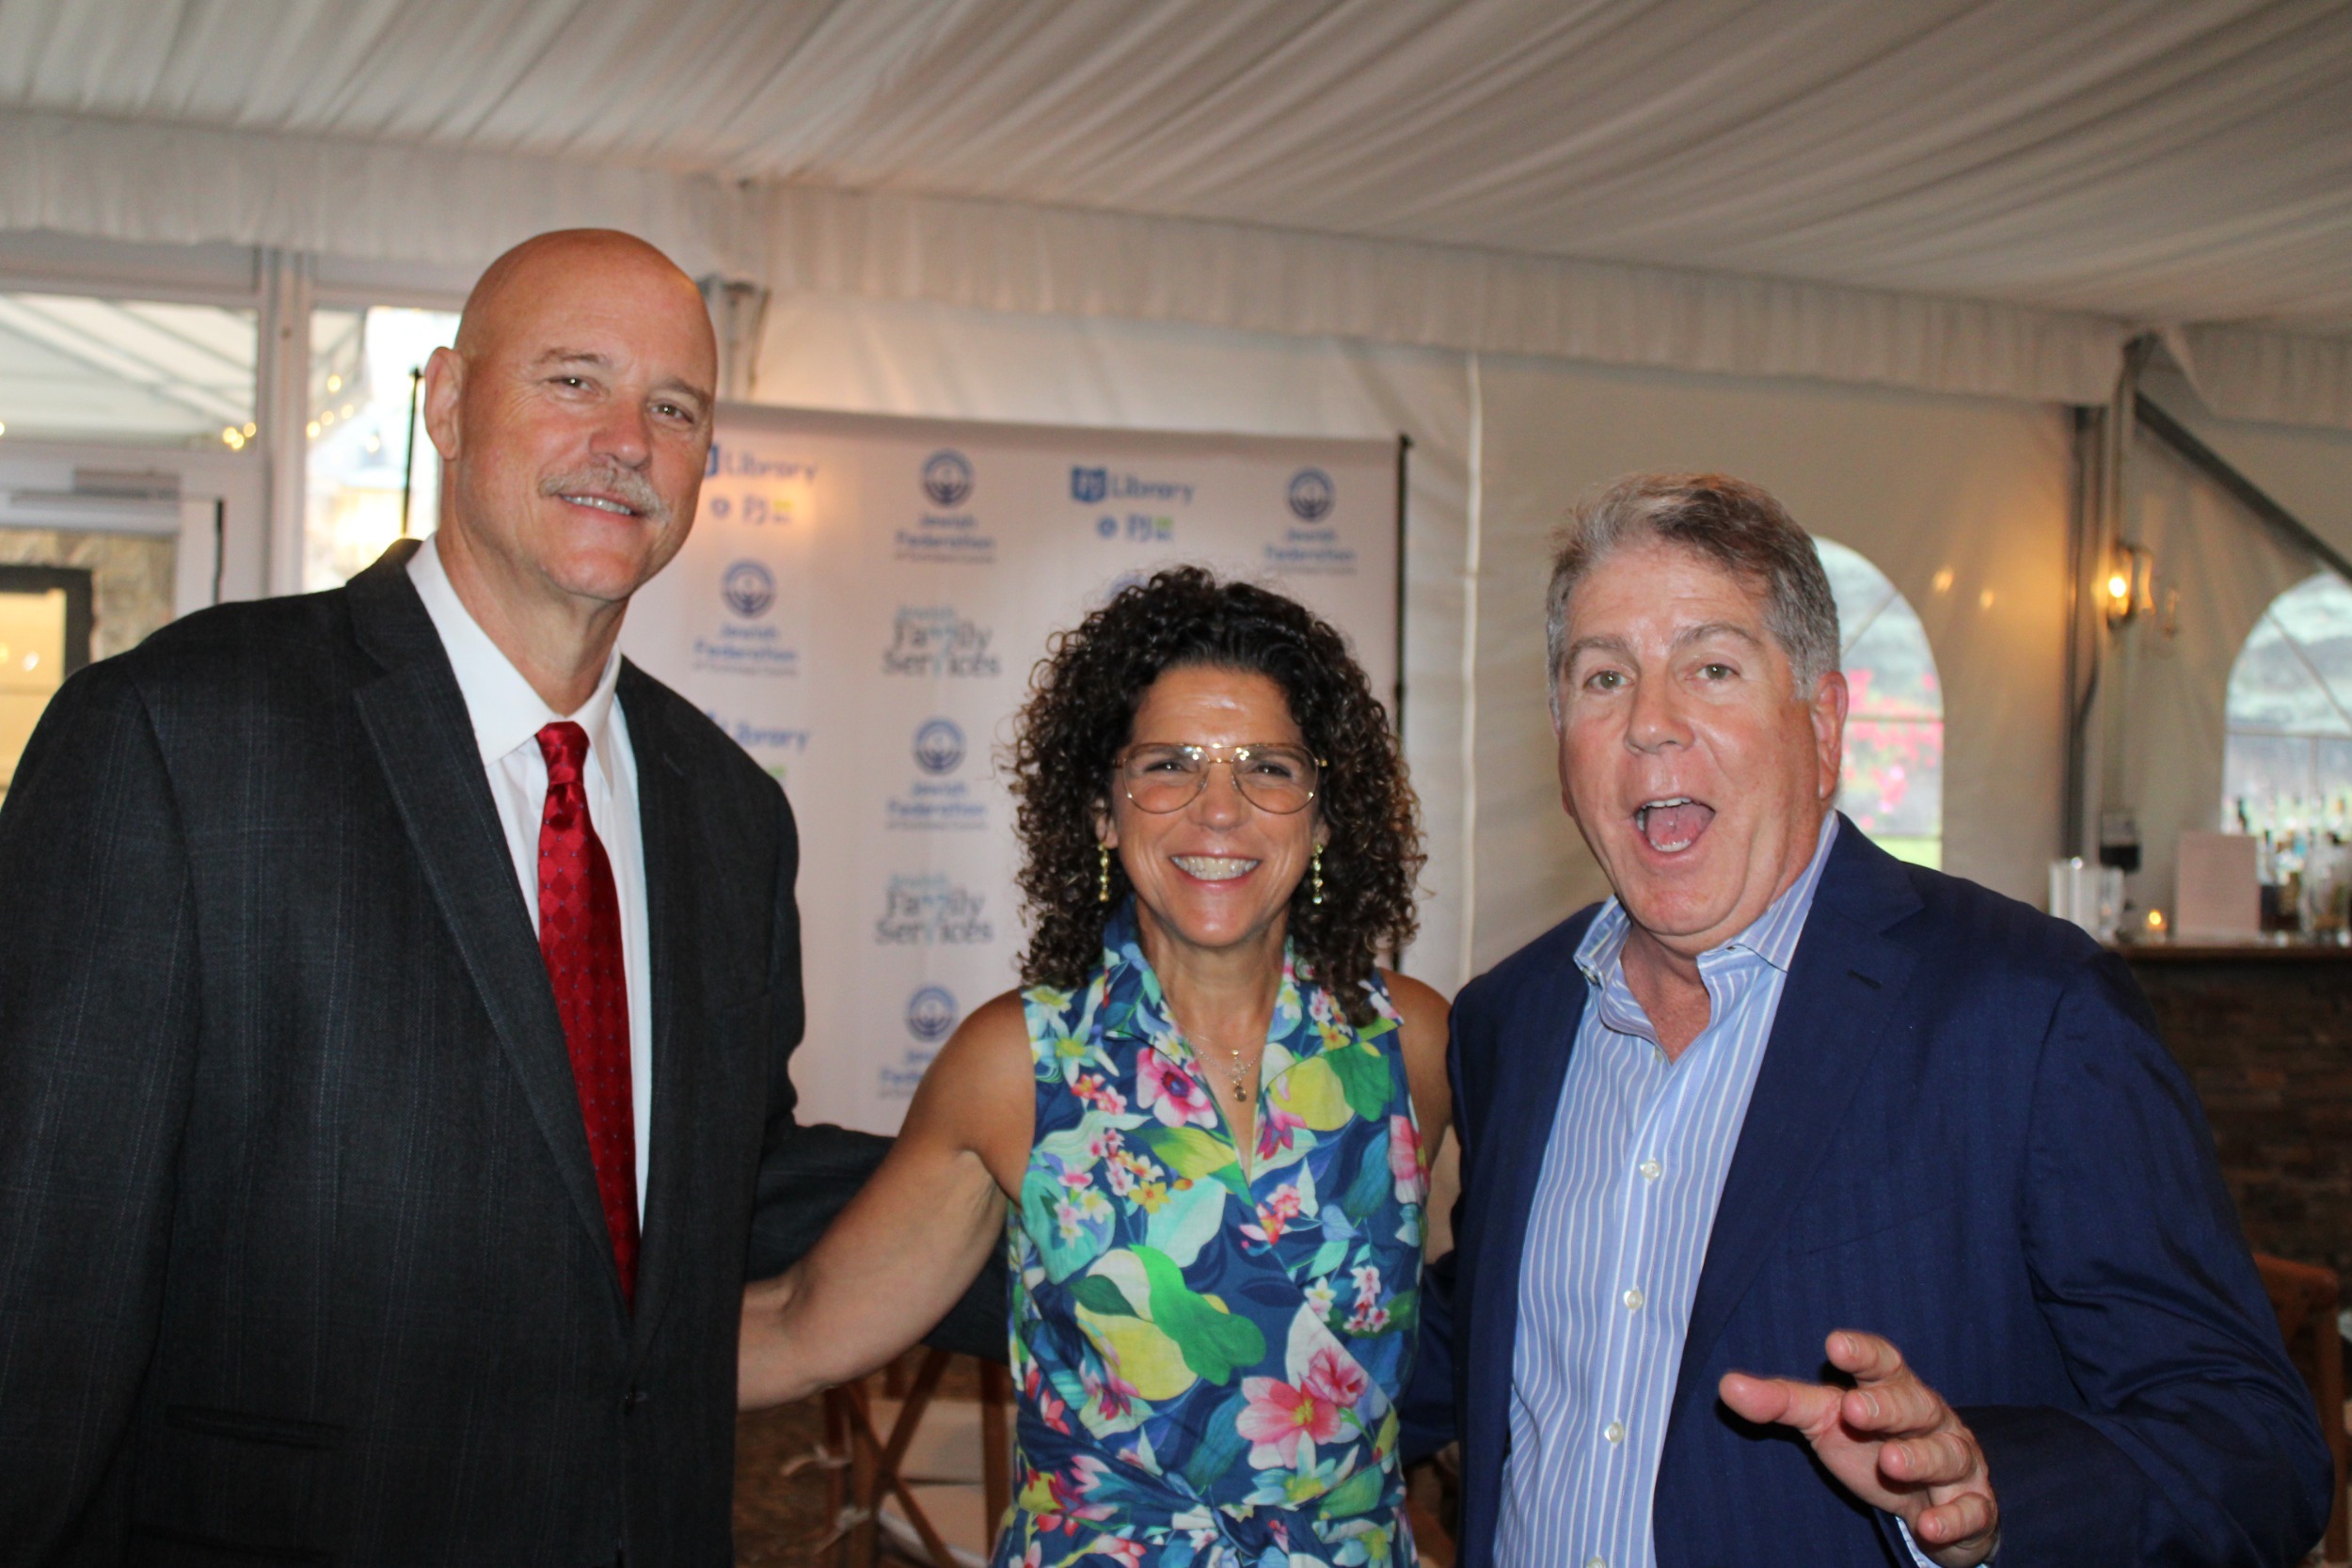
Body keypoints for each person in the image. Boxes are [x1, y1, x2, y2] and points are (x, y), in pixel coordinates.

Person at [0, 229, 988, 1565]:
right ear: (449, 403)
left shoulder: (731, 814)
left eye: (675, 408)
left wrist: (1082, 1185)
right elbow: (42, 1271)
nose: (626, 441)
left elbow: (713, 1191)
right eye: (574, 380)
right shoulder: (181, 735)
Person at [1407, 473, 2331, 1567]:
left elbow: (2255, 1445)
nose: (1650, 722)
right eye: (1603, 676)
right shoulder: (1512, 1020)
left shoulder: (2028, 1012)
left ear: (1823, 723)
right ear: (1564, 750)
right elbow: (1493, 1326)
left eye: (1711, 666)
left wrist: (1990, 1487)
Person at [740, 567, 1449, 1565]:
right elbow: (804, 1324)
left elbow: (1517, 1321)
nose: (1218, 809)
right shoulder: (1015, 1065)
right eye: (1168, 764)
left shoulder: (1413, 1043)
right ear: (1104, 811)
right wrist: (549, 1364)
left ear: (1323, 815)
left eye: (1267, 766)